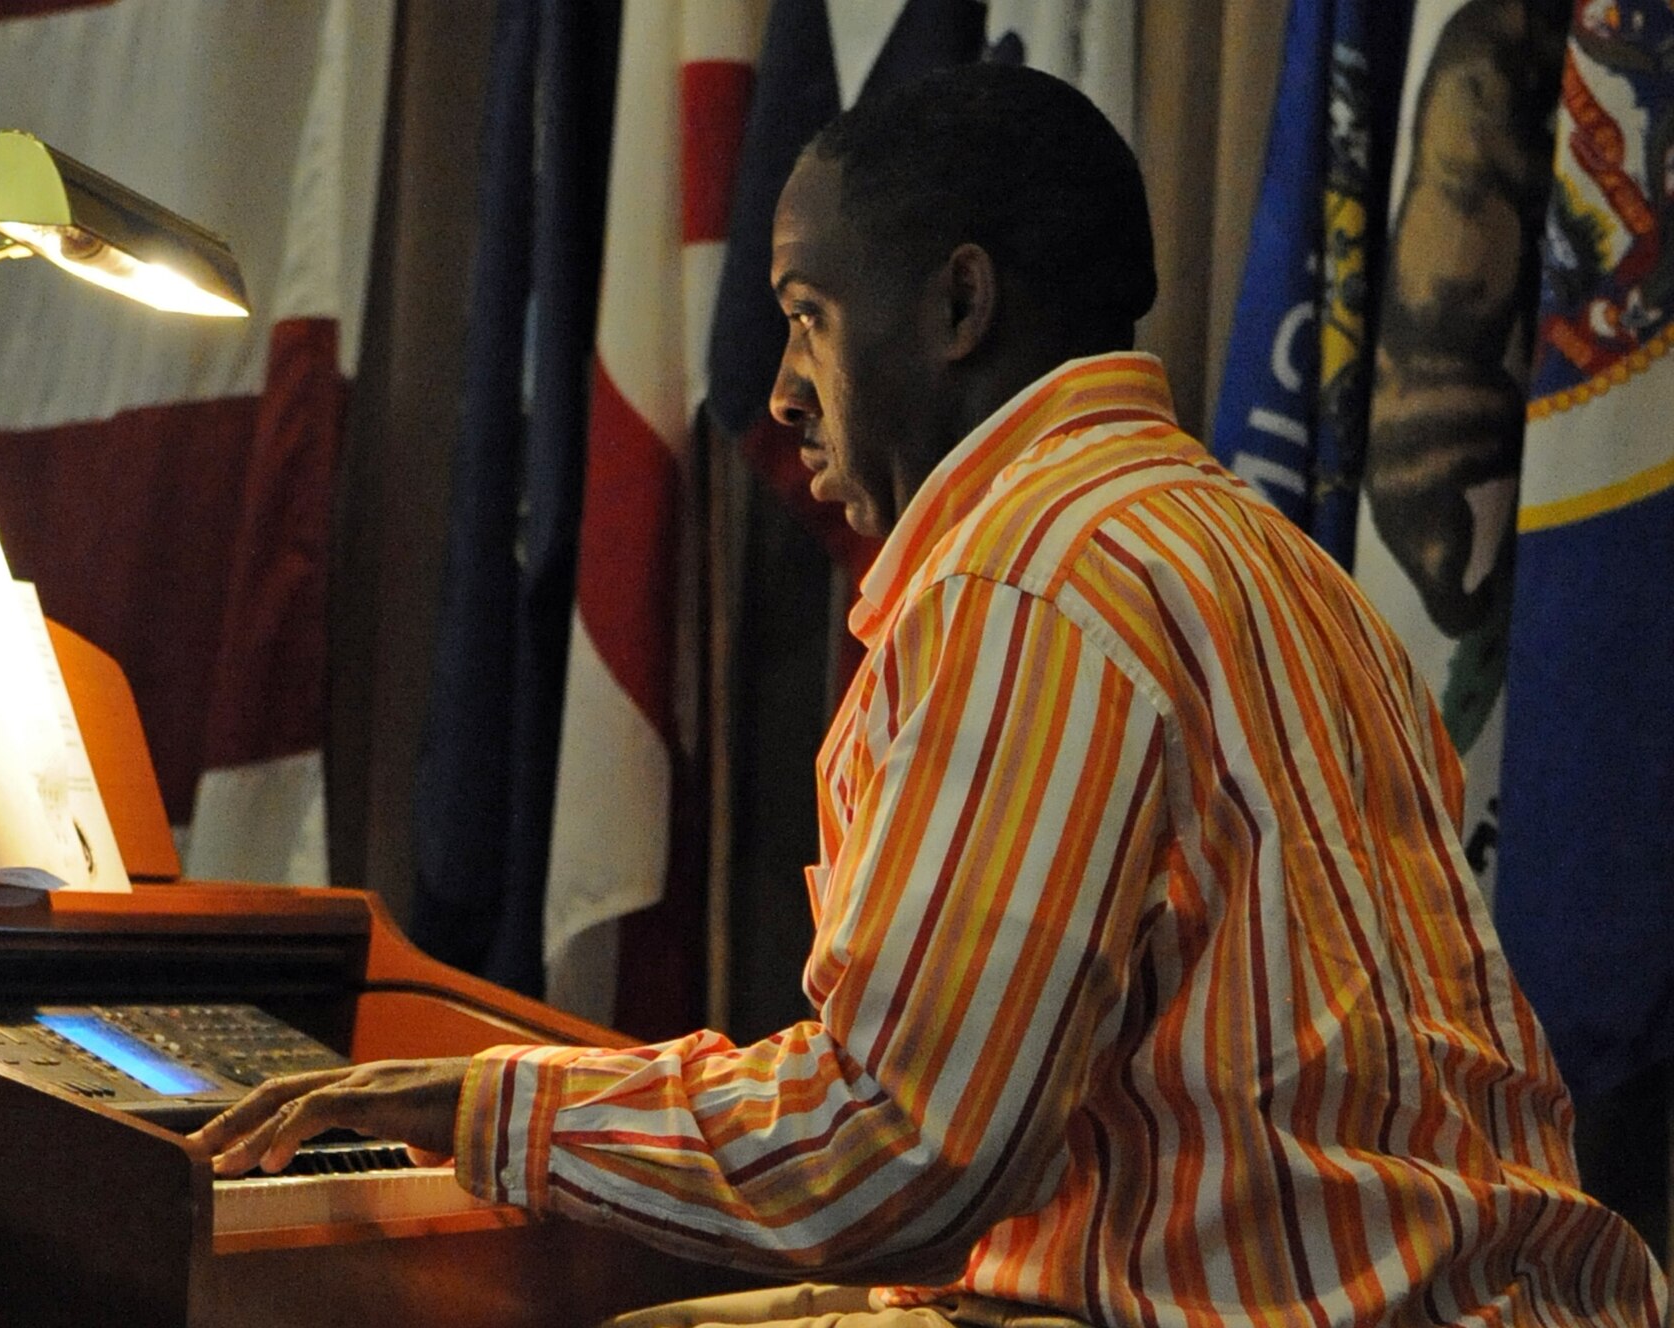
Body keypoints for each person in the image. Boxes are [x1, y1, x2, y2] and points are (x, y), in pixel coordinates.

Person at [194, 62, 1667, 1328]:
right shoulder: (1264, 557)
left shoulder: (1024, 584)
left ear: (959, 303)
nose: (777, 393)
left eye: (807, 315)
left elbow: (890, 1150)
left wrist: (481, 1108)